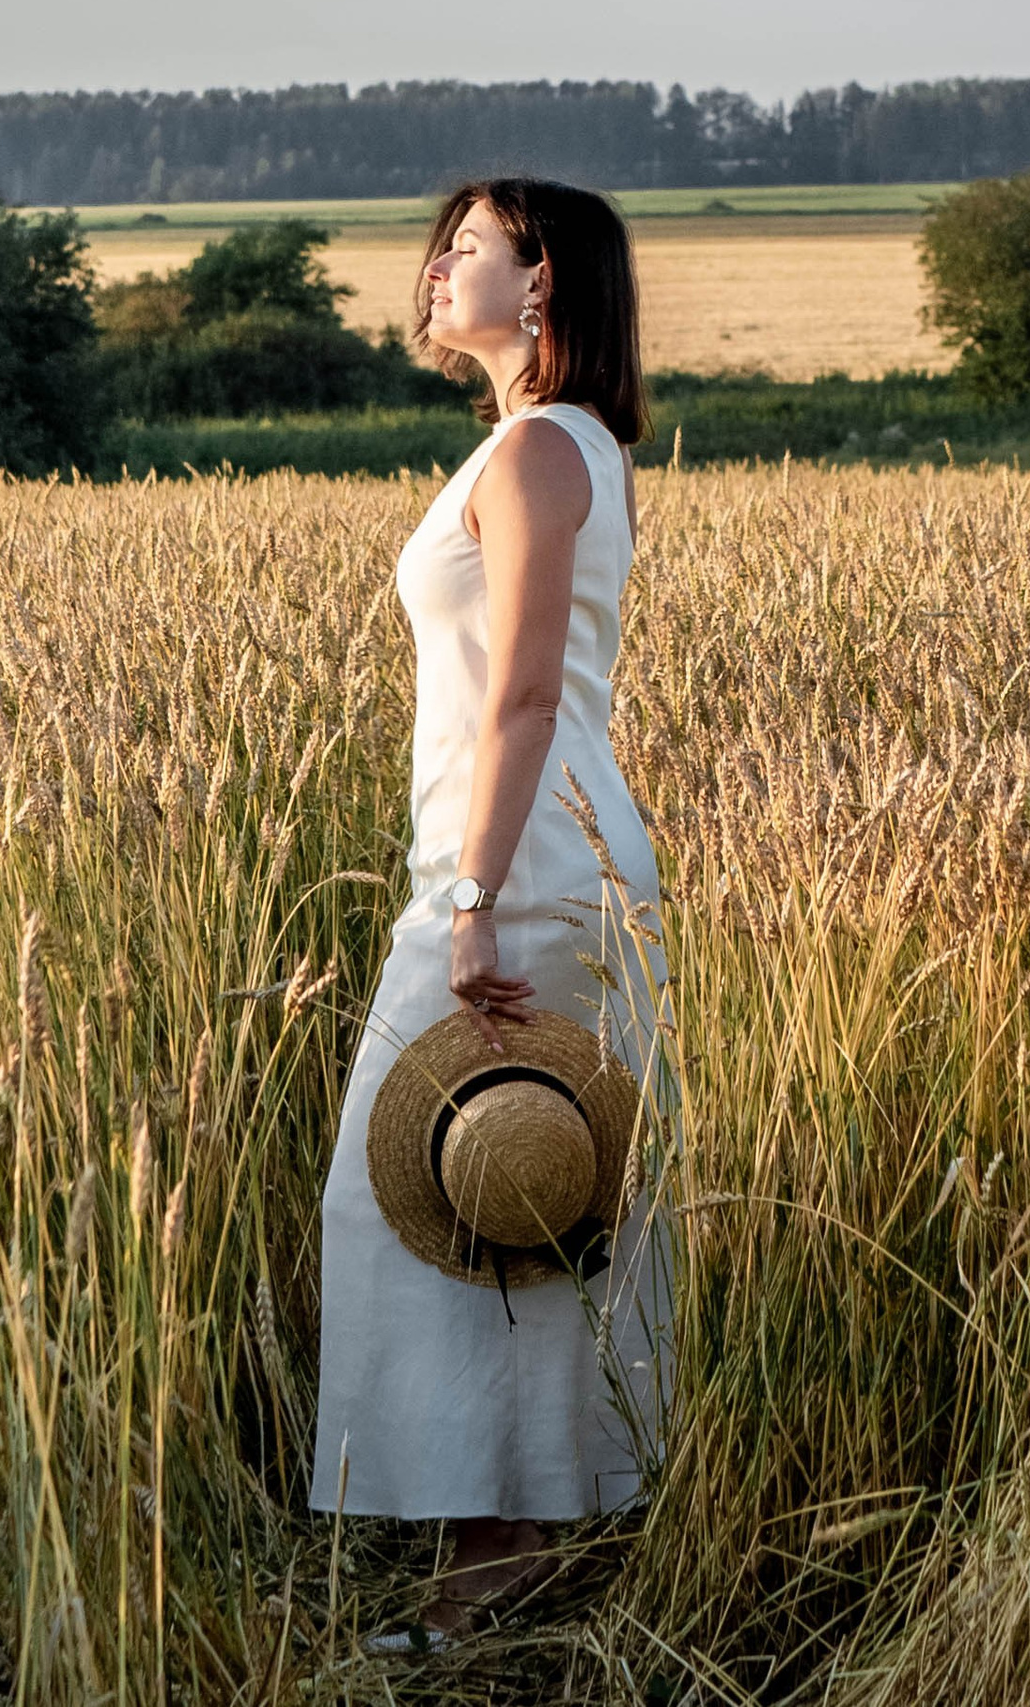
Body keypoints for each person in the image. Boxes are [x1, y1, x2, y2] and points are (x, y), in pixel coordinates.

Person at [310, 177, 666, 1639]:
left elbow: (522, 694)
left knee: (446, 1196)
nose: (438, 266)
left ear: (545, 287)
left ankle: (496, 1550)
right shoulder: (546, 446)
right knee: (512, 1197)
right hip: (521, 854)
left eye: (471, 248)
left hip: (516, 869)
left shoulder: (534, 454)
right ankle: (526, 1527)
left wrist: (470, 896)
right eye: (442, 245)